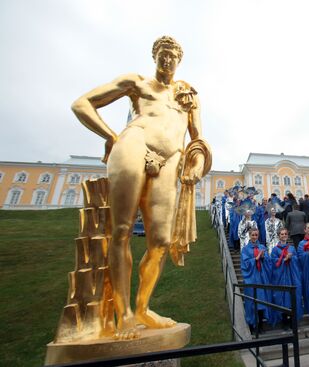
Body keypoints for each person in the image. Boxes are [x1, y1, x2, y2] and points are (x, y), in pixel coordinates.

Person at [71, 36, 211, 339]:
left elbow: (197, 138)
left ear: (180, 60)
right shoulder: (136, 83)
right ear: (155, 56)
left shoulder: (188, 95)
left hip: (170, 161)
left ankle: (143, 308)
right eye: (163, 54)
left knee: (160, 242)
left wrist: (197, 162)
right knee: (120, 230)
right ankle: (124, 315)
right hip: (133, 146)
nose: (168, 60)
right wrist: (112, 137)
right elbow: (82, 104)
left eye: (174, 55)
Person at [269, 228, 303, 330]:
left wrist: (292, 258)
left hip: (292, 276)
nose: (284, 235)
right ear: (278, 236)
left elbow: (297, 260)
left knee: (292, 297)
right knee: (283, 298)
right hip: (281, 276)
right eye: (282, 234)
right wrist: (284, 259)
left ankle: (292, 321)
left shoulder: (292, 248)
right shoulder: (275, 249)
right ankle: (284, 322)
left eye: (285, 234)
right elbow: (273, 263)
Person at [241, 228, 272, 334]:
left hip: (261, 278)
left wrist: (263, 258)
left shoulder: (262, 247)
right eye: (253, 235)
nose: (254, 237)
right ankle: (253, 325)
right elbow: (245, 264)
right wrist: (256, 258)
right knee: (253, 302)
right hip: (252, 278)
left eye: (256, 235)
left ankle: (261, 325)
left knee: (262, 302)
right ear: (249, 236)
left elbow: (268, 261)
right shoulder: (245, 249)